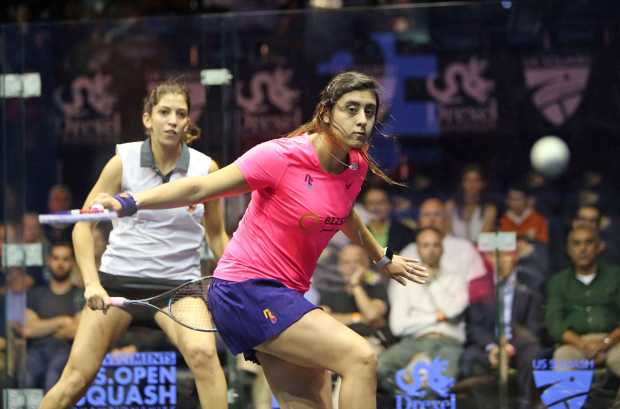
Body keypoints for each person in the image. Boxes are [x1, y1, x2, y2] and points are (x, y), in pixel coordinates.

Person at [95, 71, 428, 409]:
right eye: (351, 109)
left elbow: (343, 212)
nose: (362, 120)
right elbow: (199, 188)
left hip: (286, 295)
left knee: (313, 403)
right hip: (246, 291)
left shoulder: (355, 165)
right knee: (360, 357)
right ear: (326, 113)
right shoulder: (279, 157)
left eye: (369, 111)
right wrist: (133, 200)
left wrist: (381, 257)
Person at [39, 80, 229, 409]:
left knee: (203, 355)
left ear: (188, 121)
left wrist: (241, 280)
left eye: (180, 114)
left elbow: (216, 235)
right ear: (147, 118)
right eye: (164, 112)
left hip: (178, 288)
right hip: (117, 282)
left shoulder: (205, 169)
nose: (172, 120)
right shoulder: (122, 161)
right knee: (75, 380)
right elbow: (83, 227)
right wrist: (92, 284)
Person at [378, 227, 469, 395]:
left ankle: (419, 396)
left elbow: (452, 312)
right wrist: (436, 317)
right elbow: (398, 326)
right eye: (425, 245)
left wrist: (432, 281)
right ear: (417, 249)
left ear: (442, 248)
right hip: (413, 342)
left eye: (435, 245)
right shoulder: (405, 279)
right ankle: (412, 397)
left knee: (440, 385)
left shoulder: (456, 278)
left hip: (448, 343)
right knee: (380, 367)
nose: (431, 250)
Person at [20, 242, 82, 392]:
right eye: (56, 258)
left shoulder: (80, 295)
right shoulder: (35, 294)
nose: (60, 263)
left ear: (72, 263)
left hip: (66, 351)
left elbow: (77, 331)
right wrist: (63, 321)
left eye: (65, 259)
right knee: (26, 377)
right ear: (49, 261)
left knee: (53, 377)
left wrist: (42, 327)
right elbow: (28, 330)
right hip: (36, 351)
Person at [445, 163, 497, 243]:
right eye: (468, 180)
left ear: (482, 184)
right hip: (454, 248)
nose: (472, 185)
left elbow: (484, 240)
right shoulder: (450, 206)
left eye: (476, 181)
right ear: (462, 183)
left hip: (478, 249)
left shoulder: (489, 209)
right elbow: (448, 236)